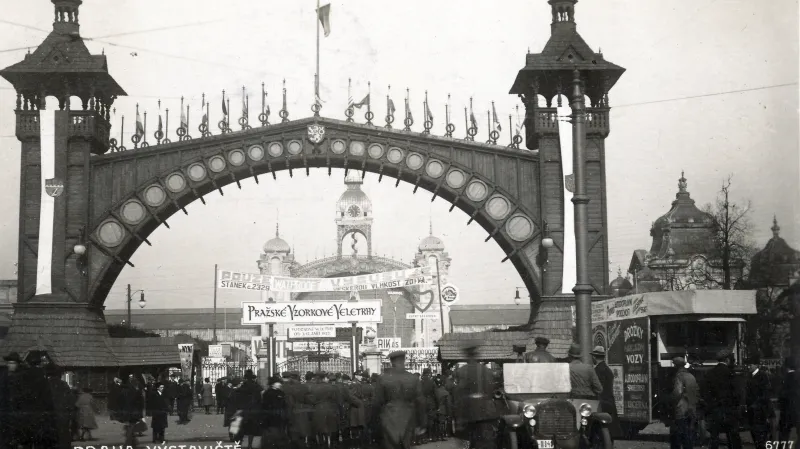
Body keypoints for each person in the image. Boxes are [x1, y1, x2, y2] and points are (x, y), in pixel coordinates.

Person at [374, 350, 426, 449]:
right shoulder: (413, 378)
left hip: (388, 419)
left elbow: (377, 402)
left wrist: (374, 422)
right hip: (408, 418)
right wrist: (422, 423)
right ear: (403, 361)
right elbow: (421, 402)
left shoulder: (383, 378)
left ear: (391, 362)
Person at [454, 342, 499, 449]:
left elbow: (459, 391)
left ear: (467, 356)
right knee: (486, 441)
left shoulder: (462, 371)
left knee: (467, 441)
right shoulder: (486, 370)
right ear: (476, 356)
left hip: (468, 411)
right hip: (485, 410)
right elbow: (490, 389)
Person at [702, 349, 742, 449]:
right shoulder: (731, 374)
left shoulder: (710, 373)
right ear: (727, 360)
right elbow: (737, 393)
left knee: (714, 437)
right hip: (729, 410)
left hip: (714, 410)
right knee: (733, 437)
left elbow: (705, 392)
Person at [669, 357, 699, 449]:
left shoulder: (679, 376)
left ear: (676, 366)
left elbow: (677, 392)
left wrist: (671, 402)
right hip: (692, 410)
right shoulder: (691, 376)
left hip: (681, 410)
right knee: (689, 437)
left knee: (677, 436)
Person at [591, 346, 620, 438]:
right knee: (609, 430)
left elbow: (596, 388)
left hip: (600, 403)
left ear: (594, 357)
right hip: (610, 402)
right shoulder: (608, 370)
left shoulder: (596, 371)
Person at [745, 356, 773, 449]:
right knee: (754, 431)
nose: (749, 366)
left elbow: (765, 393)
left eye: (751, 364)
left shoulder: (763, 375)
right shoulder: (749, 376)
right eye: (748, 364)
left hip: (760, 409)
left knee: (760, 432)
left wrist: (756, 404)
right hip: (752, 409)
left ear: (756, 365)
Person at [238, 369, 265, 449]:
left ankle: (239, 443)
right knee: (251, 428)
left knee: (241, 428)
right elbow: (262, 396)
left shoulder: (242, 386)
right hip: (254, 409)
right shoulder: (257, 386)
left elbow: (237, 398)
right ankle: (250, 444)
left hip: (244, 409)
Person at [262, 376, 289, 449]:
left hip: (279, 415)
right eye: (278, 383)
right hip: (272, 415)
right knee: (274, 432)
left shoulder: (280, 392)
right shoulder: (268, 393)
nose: (279, 384)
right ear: (273, 384)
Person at [779, 357, 797, 441]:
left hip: (787, 409)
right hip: (797, 409)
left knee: (784, 432)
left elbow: (783, 394)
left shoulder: (787, 378)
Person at [434, 376, 453, 442]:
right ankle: (441, 436)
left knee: (436, 423)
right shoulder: (446, 393)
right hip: (443, 409)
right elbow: (448, 404)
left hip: (435, 409)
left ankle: (435, 436)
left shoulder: (435, 391)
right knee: (442, 423)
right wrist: (449, 413)